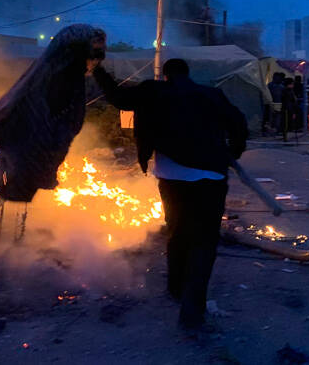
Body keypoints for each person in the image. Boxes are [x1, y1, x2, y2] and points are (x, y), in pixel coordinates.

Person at [91, 58, 248, 330]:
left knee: (177, 233)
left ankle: (175, 288)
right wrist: (232, 152)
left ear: (165, 76)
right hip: (211, 176)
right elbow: (238, 123)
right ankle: (191, 309)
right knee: (204, 242)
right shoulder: (211, 94)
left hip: (172, 176)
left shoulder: (152, 91)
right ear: (189, 74)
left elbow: (117, 97)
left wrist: (98, 69)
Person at [281, 77, 298, 142]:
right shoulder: (286, 91)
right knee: (286, 123)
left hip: (290, 108)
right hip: (287, 109)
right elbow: (288, 101)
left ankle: (286, 137)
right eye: (292, 83)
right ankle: (285, 137)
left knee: (288, 123)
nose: (293, 85)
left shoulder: (290, 91)